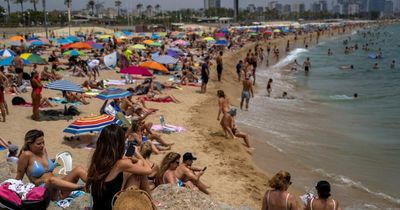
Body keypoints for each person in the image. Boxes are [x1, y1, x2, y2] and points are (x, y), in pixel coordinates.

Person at [86, 125, 152, 210]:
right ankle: (151, 202)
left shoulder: (98, 158)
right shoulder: (120, 164)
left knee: (137, 169)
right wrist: (138, 155)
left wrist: (131, 160)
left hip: (98, 206)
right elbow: (148, 170)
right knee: (140, 173)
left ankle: (151, 201)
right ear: (119, 143)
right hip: (114, 206)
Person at [16, 130, 87, 200]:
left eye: (43, 142)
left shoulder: (43, 150)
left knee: (78, 169)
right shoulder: (26, 155)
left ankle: (95, 185)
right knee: (51, 180)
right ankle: (83, 188)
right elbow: (19, 175)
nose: (42, 145)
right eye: (38, 143)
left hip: (58, 189)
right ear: (29, 144)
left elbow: (46, 169)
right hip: (45, 191)